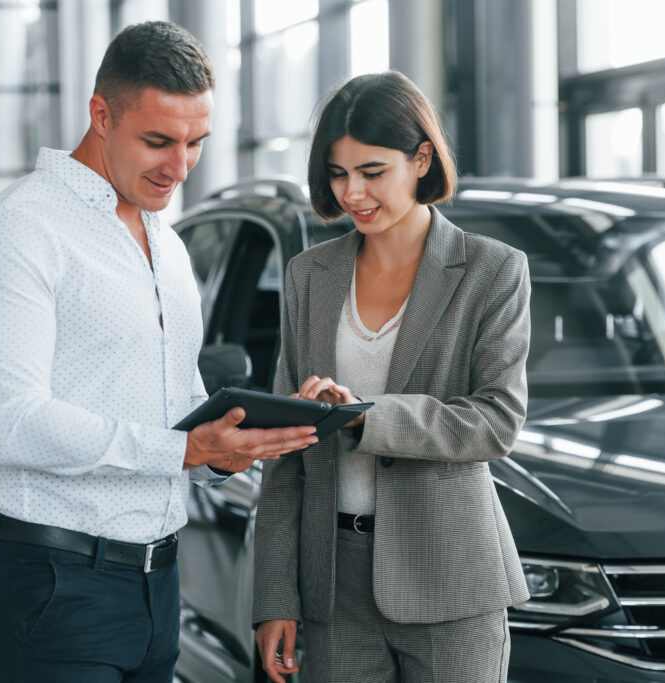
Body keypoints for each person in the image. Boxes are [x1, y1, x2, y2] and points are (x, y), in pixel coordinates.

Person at [0, 21, 318, 682]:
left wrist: (241, 437)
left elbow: (174, 414)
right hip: (53, 583)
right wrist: (186, 449)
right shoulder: (17, 230)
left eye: (196, 144)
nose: (179, 167)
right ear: (100, 115)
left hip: (158, 583)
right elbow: (13, 423)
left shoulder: (166, 243)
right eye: (158, 141)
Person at [252, 71, 532, 683]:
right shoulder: (309, 275)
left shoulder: (492, 270)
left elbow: (497, 421)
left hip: (452, 578)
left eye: (372, 172)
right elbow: (282, 453)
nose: (352, 193)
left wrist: (364, 417)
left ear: (421, 158)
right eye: (337, 173)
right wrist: (275, 597)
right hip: (331, 584)